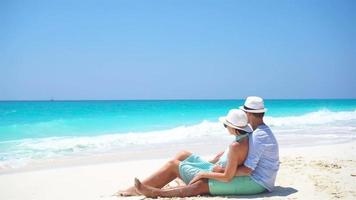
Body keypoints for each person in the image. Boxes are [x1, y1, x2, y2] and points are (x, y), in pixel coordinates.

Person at [118, 109, 253, 197]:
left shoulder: (236, 146)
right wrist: (221, 157)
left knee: (173, 165)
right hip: (214, 168)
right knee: (183, 154)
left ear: (234, 128)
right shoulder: (243, 139)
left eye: (226, 125)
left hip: (213, 175)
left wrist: (202, 173)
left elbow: (227, 177)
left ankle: (137, 190)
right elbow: (233, 159)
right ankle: (141, 187)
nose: (226, 127)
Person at [236, 96, 280, 192]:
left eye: (244, 112)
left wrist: (224, 172)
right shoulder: (261, 131)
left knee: (201, 185)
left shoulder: (259, 135)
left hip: (259, 182)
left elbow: (247, 170)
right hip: (265, 180)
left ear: (249, 114)